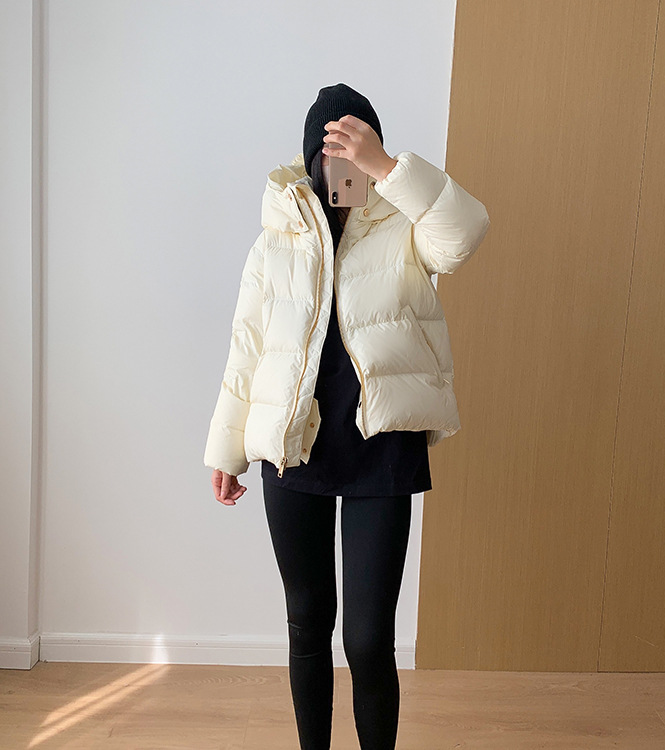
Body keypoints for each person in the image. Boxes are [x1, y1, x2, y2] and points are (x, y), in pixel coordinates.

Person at [204, 83, 490, 749]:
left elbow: (465, 234)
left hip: (380, 446)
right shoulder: (275, 239)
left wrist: (388, 169)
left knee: (367, 638)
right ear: (310, 159)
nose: (343, 173)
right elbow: (248, 347)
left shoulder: (405, 223)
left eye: (356, 155)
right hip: (293, 446)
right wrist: (226, 449)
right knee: (307, 624)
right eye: (330, 156)